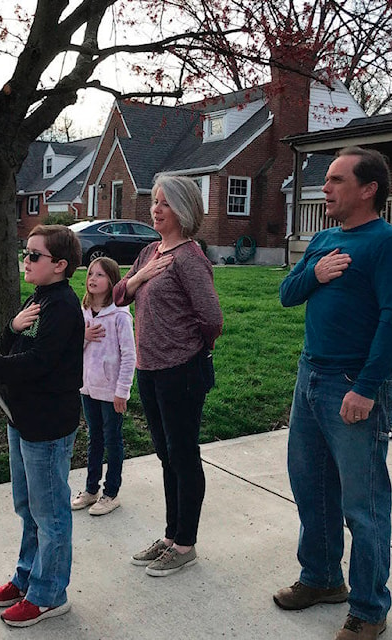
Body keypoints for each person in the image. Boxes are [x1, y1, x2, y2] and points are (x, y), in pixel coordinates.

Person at [275, 146, 392, 640]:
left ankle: (369, 609)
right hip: (310, 376)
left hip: (354, 383)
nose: (325, 188)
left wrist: (368, 389)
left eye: (335, 180)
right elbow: (287, 294)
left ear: (368, 188)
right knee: (311, 487)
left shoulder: (388, 244)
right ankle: (321, 578)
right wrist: (313, 273)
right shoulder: (325, 239)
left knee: (364, 502)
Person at [0, 224, 84, 628]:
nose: (25, 261)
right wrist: (11, 329)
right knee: (27, 506)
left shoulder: (63, 306)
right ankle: (27, 577)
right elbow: (14, 347)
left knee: (50, 513)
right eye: (25, 252)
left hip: (47, 425)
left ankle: (49, 594)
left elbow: (37, 364)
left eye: (34, 255)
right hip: (23, 418)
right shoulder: (40, 298)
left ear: (60, 265)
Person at [113, 175, 222, 578]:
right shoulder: (149, 252)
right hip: (150, 369)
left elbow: (211, 318)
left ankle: (185, 544)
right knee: (166, 456)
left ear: (184, 210)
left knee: (183, 455)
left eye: (165, 203)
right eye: (155, 201)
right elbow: (119, 295)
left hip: (182, 371)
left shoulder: (190, 259)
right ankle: (171, 534)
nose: (156, 208)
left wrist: (192, 352)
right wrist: (140, 276)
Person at [70, 256, 136, 516]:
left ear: (112, 281)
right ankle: (91, 489)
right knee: (93, 438)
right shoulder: (83, 312)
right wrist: (82, 337)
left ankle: (111, 493)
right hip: (88, 388)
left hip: (111, 392)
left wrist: (122, 391)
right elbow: (72, 348)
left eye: (99, 275)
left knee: (112, 439)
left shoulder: (119, 316)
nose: (92, 280)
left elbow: (129, 355)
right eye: (90, 274)